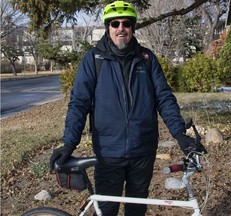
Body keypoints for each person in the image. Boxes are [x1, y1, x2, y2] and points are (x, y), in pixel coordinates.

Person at [50, 1, 207, 216]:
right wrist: (69, 143)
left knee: (136, 208)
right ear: (108, 27)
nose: (120, 28)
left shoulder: (147, 59)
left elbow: (164, 98)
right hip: (108, 151)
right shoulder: (94, 59)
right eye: (115, 23)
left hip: (143, 150)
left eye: (126, 23)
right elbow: (79, 103)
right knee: (107, 209)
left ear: (132, 27)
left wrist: (180, 135)